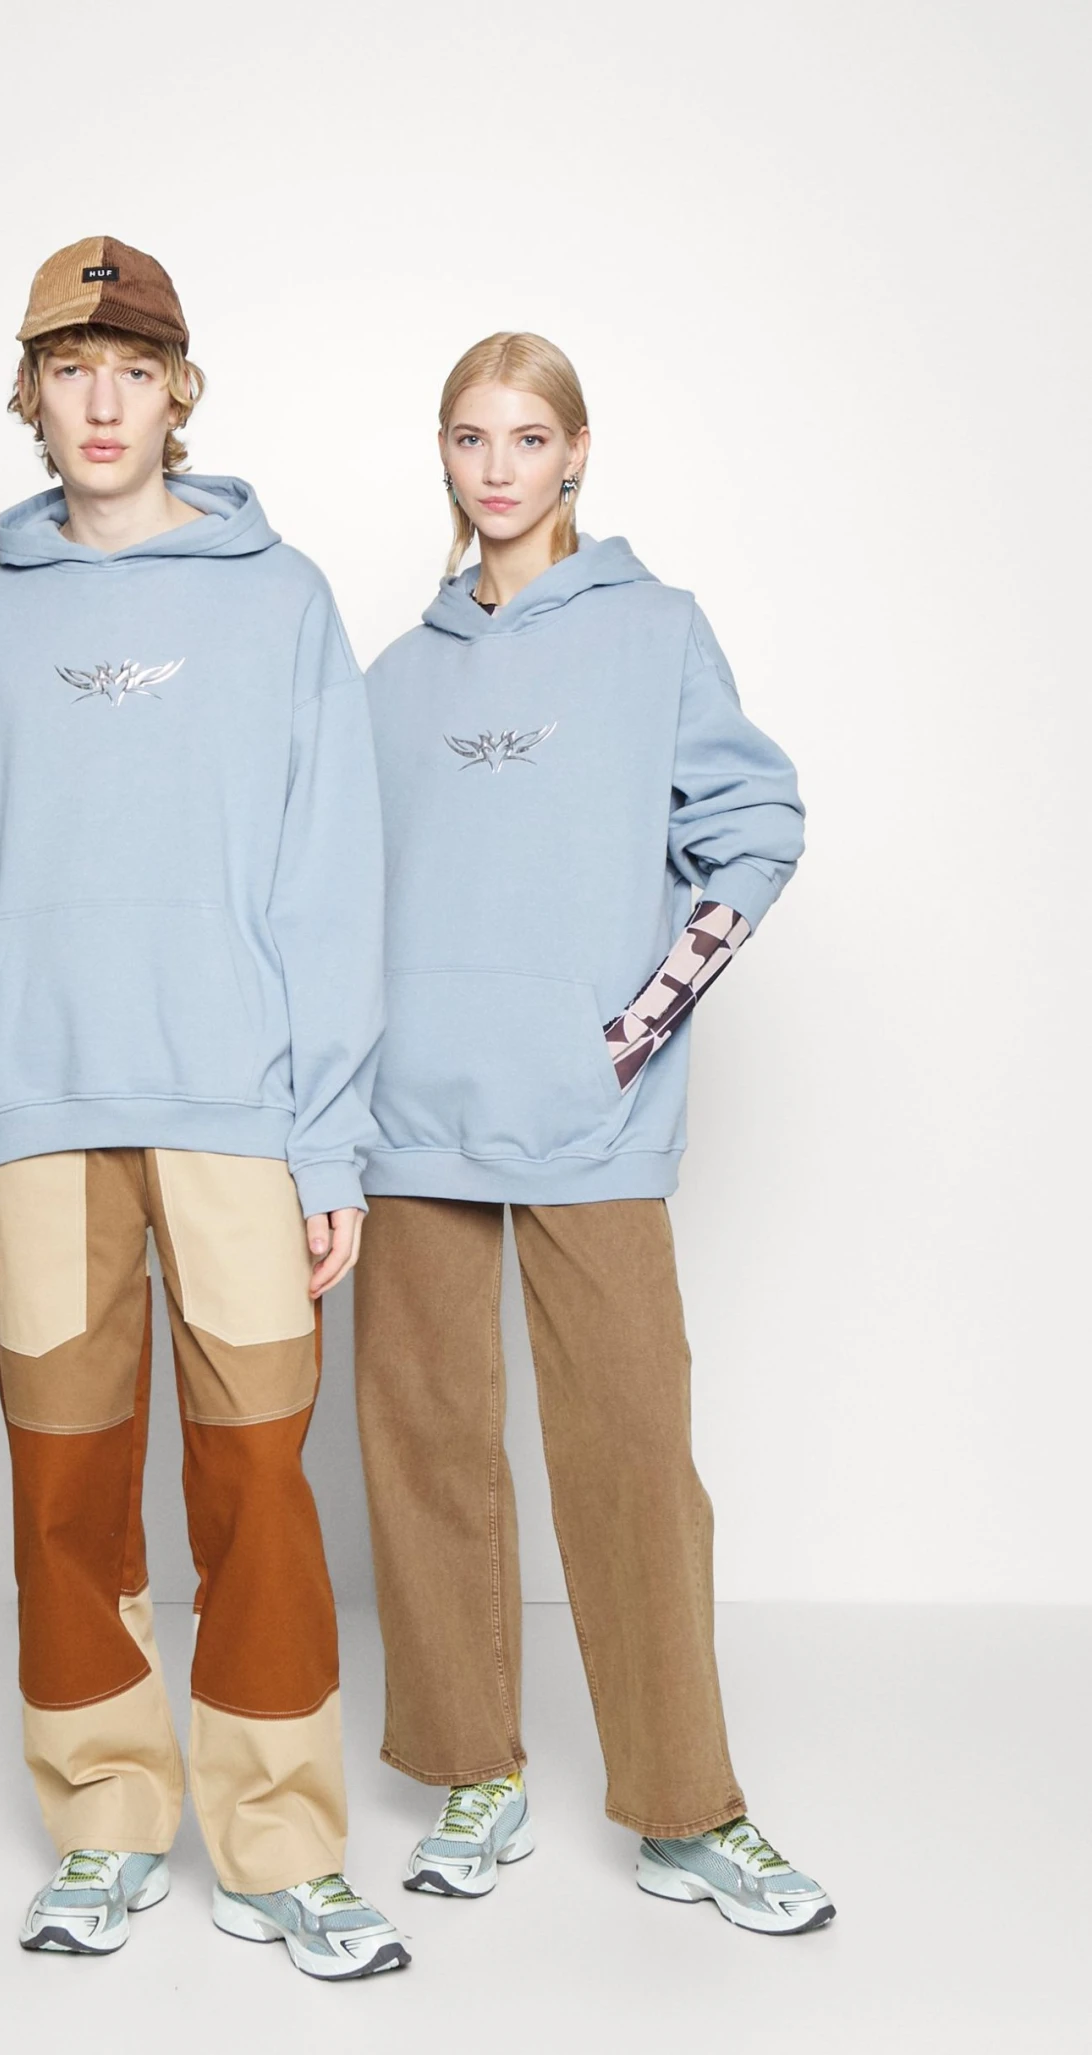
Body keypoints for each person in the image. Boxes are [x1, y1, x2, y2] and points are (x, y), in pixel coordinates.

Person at [0, 234, 408, 1979]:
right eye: (69, 370)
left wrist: (329, 1135)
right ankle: (106, 1820)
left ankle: (280, 1844)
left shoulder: (281, 601)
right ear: (31, 396)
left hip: (239, 1115)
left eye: (131, 370)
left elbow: (334, 881)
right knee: (64, 1484)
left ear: (180, 392)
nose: (100, 402)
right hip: (35, 1115)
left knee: (258, 1477)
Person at [352, 331, 834, 1936]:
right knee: (424, 1449)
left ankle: (690, 1809)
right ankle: (469, 1769)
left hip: (590, 1118)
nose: (497, 467)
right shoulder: (393, 677)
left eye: (527, 437)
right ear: (443, 455)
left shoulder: (656, 632)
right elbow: (335, 890)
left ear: (575, 455)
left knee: (632, 1455)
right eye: (469, 437)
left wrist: (638, 1021)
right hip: (409, 1122)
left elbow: (755, 829)